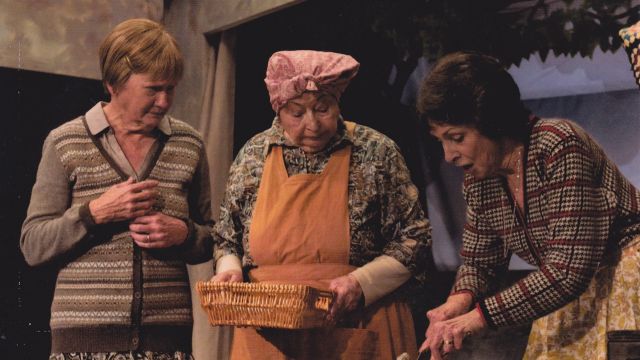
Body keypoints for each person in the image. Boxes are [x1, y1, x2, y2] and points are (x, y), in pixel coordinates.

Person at [415, 51, 640, 360]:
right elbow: (481, 262)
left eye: (457, 137)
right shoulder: (481, 182)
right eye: (441, 141)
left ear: (490, 120)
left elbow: (568, 268)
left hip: (626, 285)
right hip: (563, 293)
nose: (448, 155)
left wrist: (475, 319)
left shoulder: (558, 144)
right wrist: (458, 301)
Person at [211, 50, 431, 359]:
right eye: (297, 113)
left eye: (322, 108)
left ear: (338, 102)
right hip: (267, 336)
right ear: (278, 109)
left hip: (355, 325)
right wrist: (230, 269)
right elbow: (226, 237)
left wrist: (361, 283)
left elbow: (415, 238)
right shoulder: (253, 156)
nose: (312, 124)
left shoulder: (375, 151)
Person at [20, 18, 214, 359]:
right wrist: (94, 213)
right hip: (83, 345)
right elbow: (34, 244)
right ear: (113, 83)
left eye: (171, 88)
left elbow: (214, 237)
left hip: (167, 344)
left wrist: (182, 234)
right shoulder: (66, 142)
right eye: (153, 89)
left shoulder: (188, 144)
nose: (165, 101)